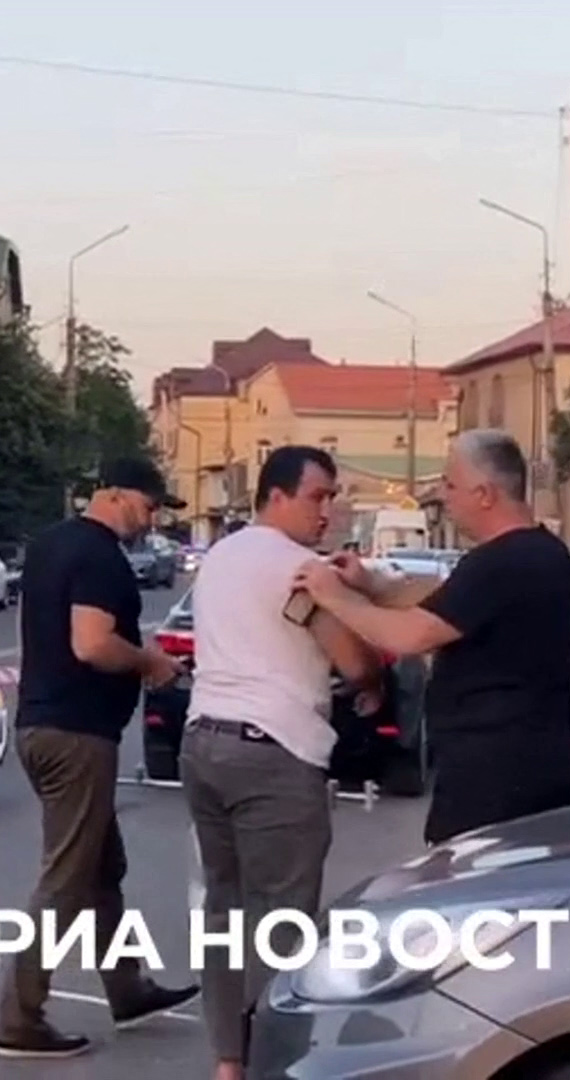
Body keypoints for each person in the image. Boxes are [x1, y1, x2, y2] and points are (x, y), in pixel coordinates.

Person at [183, 446, 381, 1080]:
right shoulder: (301, 569)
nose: (328, 511)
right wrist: (373, 676)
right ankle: (273, 1061)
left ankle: (228, 1060)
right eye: (317, 496)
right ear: (276, 496)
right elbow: (351, 658)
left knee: (224, 910)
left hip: (204, 742)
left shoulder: (221, 555)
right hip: (275, 749)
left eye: (332, 497)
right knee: (283, 920)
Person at [0, 457, 199, 1062]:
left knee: (101, 867)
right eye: (147, 503)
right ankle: (21, 1016)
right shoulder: (101, 555)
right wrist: (151, 663)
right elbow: (90, 643)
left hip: (43, 725)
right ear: (112, 493)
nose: (152, 516)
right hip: (78, 734)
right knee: (67, 877)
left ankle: (127, 985)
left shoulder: (52, 545)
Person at [295, 430, 570, 844]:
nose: (442, 496)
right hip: (531, 761)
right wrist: (369, 584)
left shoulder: (501, 562)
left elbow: (412, 634)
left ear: (484, 494)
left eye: (450, 485)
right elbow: (444, 605)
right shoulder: (540, 551)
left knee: (474, 893)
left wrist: (335, 597)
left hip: (497, 775)